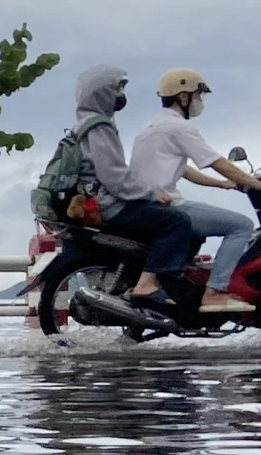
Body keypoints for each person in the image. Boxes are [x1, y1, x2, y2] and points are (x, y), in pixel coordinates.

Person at [129, 68, 261, 313]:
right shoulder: (180, 128)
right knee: (241, 225)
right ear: (183, 96)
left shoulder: (151, 127)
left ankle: (182, 284)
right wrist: (259, 184)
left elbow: (183, 168)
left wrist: (221, 184)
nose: (200, 101)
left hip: (146, 203)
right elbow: (217, 162)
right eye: (198, 95)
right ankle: (215, 292)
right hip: (166, 205)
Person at [69, 64, 197, 314]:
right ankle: (147, 285)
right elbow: (114, 176)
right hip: (109, 205)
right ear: (102, 90)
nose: (122, 93)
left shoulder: (86, 122)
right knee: (178, 222)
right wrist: (149, 193)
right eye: (119, 86)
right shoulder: (99, 126)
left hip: (99, 200)